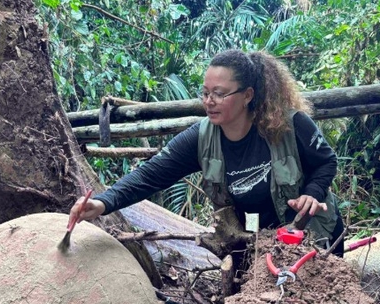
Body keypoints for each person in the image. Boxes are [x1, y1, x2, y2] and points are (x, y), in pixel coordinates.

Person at [69, 49, 345, 256]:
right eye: (205, 93)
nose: (209, 102)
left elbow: (326, 162)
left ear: (247, 95)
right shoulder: (201, 138)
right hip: (256, 246)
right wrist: (104, 203)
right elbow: (151, 174)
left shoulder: (290, 125)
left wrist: (312, 193)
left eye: (219, 94)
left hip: (311, 240)